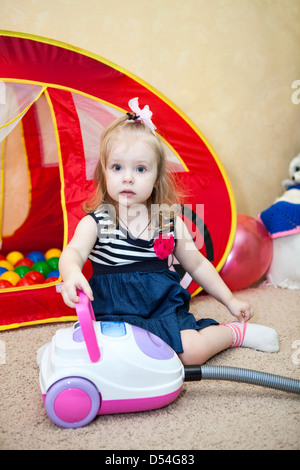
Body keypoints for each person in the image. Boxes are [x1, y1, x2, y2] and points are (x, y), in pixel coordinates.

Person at [59, 97, 279, 365]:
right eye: (117, 167)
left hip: (161, 310)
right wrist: (70, 273)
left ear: (156, 178)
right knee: (100, 355)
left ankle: (233, 334)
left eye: (140, 169)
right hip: (113, 313)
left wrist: (230, 301)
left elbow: (198, 265)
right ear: (104, 172)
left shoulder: (169, 221)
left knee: (191, 352)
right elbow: (73, 252)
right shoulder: (97, 222)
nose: (127, 177)